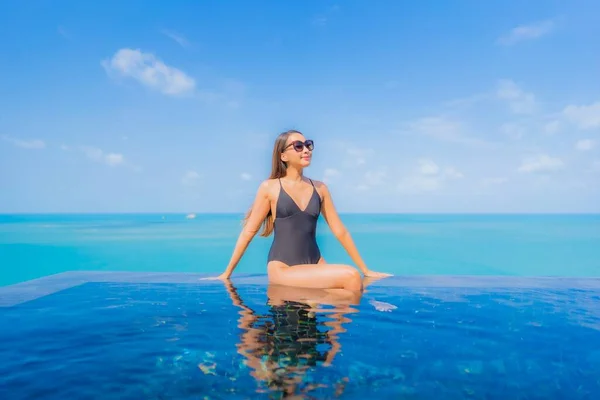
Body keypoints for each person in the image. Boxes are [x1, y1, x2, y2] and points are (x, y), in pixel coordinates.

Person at [205, 129, 391, 291]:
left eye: (308, 144)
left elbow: (340, 231)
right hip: (283, 268)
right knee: (350, 276)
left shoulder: (320, 188)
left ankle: (328, 333)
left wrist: (366, 270)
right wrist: (226, 273)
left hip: (315, 263)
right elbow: (249, 231)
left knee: (351, 291)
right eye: (298, 146)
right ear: (283, 156)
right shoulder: (270, 187)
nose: (306, 149)